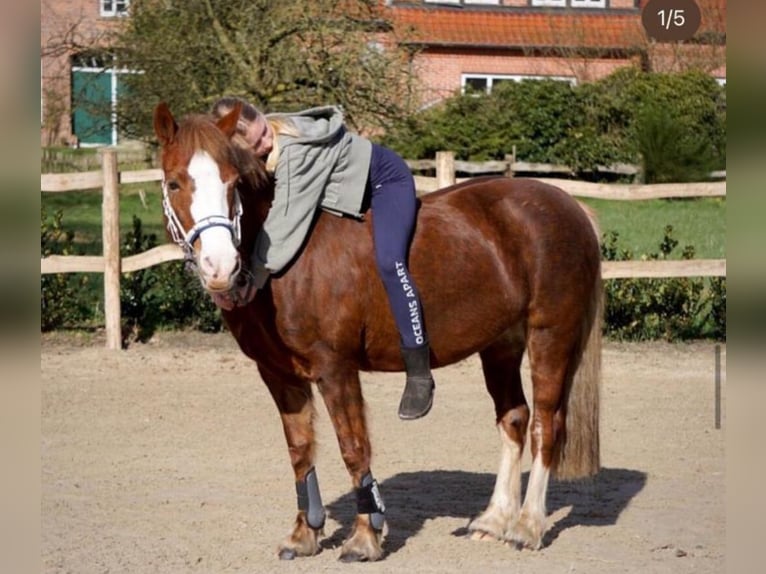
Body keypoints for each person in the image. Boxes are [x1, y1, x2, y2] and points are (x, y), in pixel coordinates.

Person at [211, 97, 435, 420]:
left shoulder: (295, 151)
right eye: (256, 144)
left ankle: (419, 372)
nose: (266, 141)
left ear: (262, 117)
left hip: (383, 182)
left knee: (389, 261)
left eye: (263, 131)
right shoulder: (259, 153)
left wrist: (254, 277)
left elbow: (285, 224)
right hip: (343, 192)